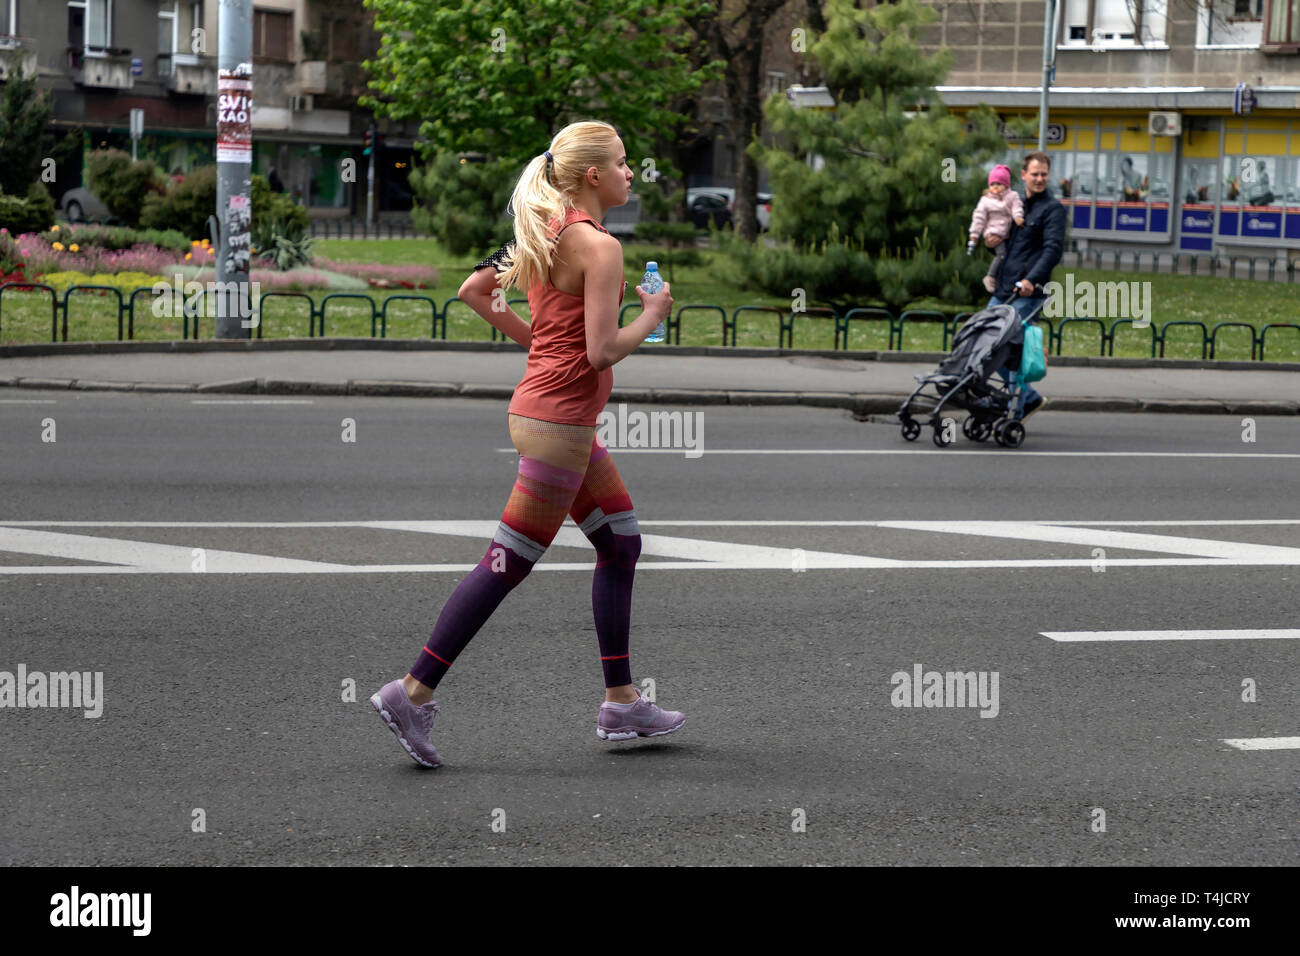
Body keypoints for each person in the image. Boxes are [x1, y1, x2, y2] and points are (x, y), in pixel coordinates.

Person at [369, 121, 683, 768]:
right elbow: (600, 352)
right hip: (561, 424)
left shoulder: (543, 229)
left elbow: (474, 291)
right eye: (624, 164)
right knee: (506, 563)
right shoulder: (599, 246)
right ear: (593, 175)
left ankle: (621, 700)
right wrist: (651, 316)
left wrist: (540, 343)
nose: (631, 173)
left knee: (621, 543)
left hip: (547, 416)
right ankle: (411, 691)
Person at [984, 151, 1065, 420]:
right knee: (986, 344)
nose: (1039, 179)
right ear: (1023, 175)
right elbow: (1008, 246)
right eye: (1034, 174)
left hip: (1030, 292)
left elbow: (1052, 251)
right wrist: (991, 243)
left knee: (1009, 348)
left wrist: (1032, 279)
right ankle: (1028, 397)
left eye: (1044, 174)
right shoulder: (1014, 204)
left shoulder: (1052, 210)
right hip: (1005, 288)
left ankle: (1015, 409)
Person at [967, 164, 1025, 294]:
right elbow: (979, 218)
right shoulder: (986, 200)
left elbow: (1017, 207)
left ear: (1006, 185)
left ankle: (1002, 278)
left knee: (1008, 255)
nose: (995, 187)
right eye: (992, 184)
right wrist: (974, 235)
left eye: (999, 184)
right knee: (1002, 254)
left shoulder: (1012, 196)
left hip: (1007, 232)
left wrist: (1018, 217)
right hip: (993, 232)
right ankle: (990, 276)